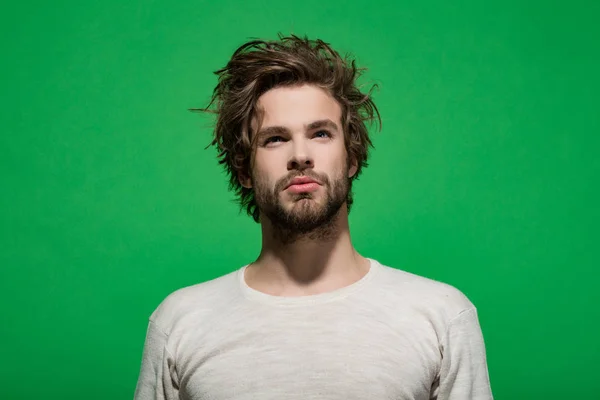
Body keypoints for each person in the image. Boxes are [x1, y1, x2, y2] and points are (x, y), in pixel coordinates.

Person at [133, 34, 493, 400]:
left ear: (351, 157)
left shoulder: (441, 317)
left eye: (321, 133)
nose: (300, 155)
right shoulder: (180, 322)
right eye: (275, 139)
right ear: (244, 170)